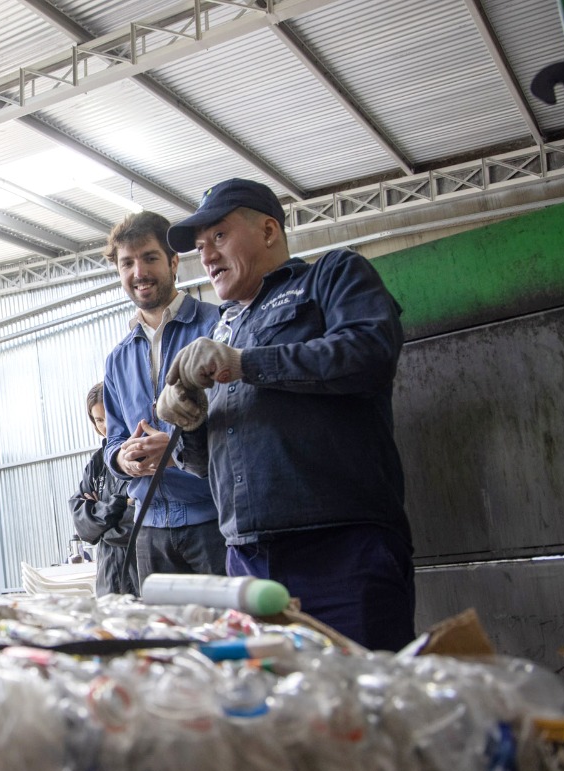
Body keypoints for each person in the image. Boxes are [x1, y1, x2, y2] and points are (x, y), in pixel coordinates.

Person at [159, 177, 415, 650]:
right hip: (248, 561)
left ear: (269, 230)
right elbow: (207, 466)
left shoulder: (331, 277)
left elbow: (370, 353)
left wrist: (243, 364)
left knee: (364, 701)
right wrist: (191, 427)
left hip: (342, 549)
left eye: (218, 236)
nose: (207, 257)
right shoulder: (224, 326)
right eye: (200, 246)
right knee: (278, 709)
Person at [102, 210, 228, 586]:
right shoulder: (117, 358)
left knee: (232, 637)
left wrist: (174, 452)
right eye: (127, 263)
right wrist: (122, 459)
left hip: (215, 521)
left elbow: (238, 422)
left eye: (150, 258)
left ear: (174, 261)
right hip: (150, 528)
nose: (138, 272)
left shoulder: (216, 326)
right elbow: (113, 438)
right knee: (166, 641)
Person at [69, 382, 138, 597]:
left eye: (109, 417)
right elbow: (83, 527)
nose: (105, 427)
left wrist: (100, 515)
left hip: (141, 570)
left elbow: (137, 524)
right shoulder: (97, 462)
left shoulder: (141, 455)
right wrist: (120, 504)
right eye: (98, 420)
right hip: (108, 576)